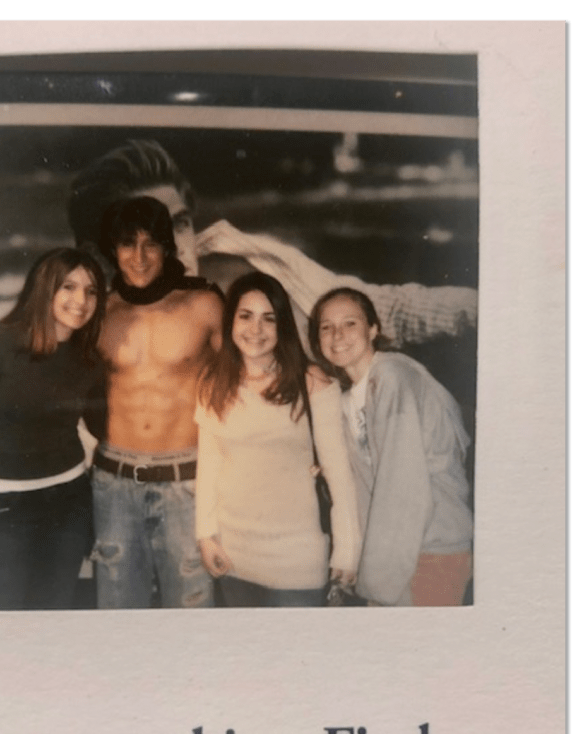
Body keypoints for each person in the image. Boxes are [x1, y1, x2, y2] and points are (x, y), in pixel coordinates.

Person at [68, 139, 478, 350]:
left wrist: (492, 314)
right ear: (98, 256)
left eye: (180, 225)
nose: (174, 249)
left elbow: (387, 313)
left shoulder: (256, 300)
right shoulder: (85, 340)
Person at [0, 248, 107, 609]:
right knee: (0, 619)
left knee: (53, 613)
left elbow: (104, 426)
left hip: (69, 504)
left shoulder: (89, 359)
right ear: (45, 288)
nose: (81, 300)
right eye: (68, 286)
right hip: (3, 509)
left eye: (91, 290)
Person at [195, 272, 361, 607]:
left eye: (268, 319)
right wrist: (205, 536)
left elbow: (339, 475)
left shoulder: (312, 382)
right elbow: (209, 464)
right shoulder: (214, 381)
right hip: (233, 553)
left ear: (282, 326)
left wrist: (347, 552)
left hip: (297, 558)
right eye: (245, 316)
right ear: (230, 322)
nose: (255, 330)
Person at [90, 196, 223, 608]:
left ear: (168, 247)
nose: (140, 256)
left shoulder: (203, 304)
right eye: (128, 244)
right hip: (114, 484)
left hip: (187, 481)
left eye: (151, 243)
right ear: (113, 249)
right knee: (117, 611)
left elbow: (245, 377)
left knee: (191, 610)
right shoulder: (99, 310)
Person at [308, 288, 473, 607]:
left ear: (373, 329)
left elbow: (402, 487)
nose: (338, 335)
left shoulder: (393, 377)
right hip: (398, 556)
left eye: (350, 323)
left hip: (431, 551)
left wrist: (375, 585)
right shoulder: (350, 399)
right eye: (326, 327)